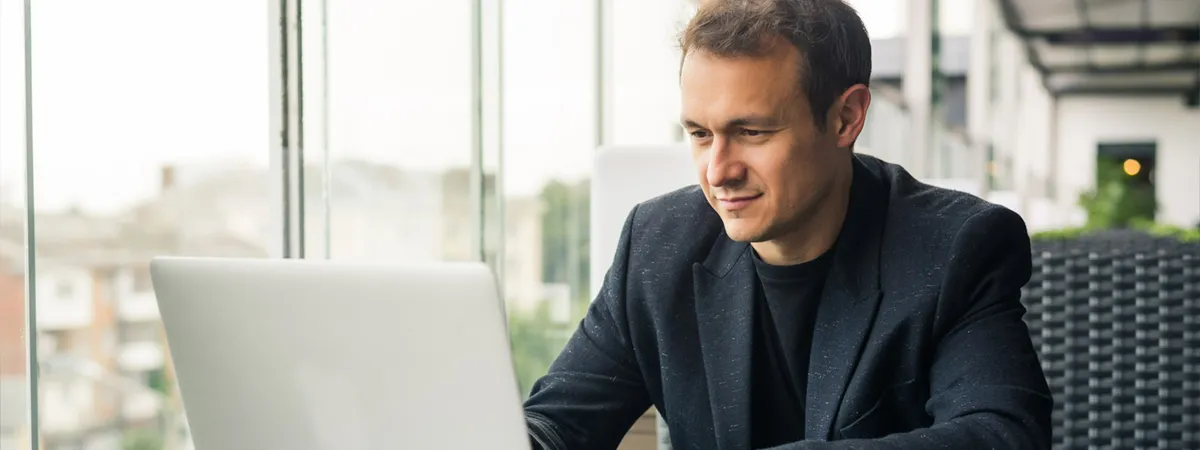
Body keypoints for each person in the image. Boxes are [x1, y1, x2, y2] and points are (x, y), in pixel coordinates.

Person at [522, 0, 1053, 448]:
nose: (718, 171)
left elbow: (1001, 433)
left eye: (751, 132)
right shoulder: (657, 243)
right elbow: (559, 425)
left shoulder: (956, 247)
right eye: (700, 134)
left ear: (846, 118)